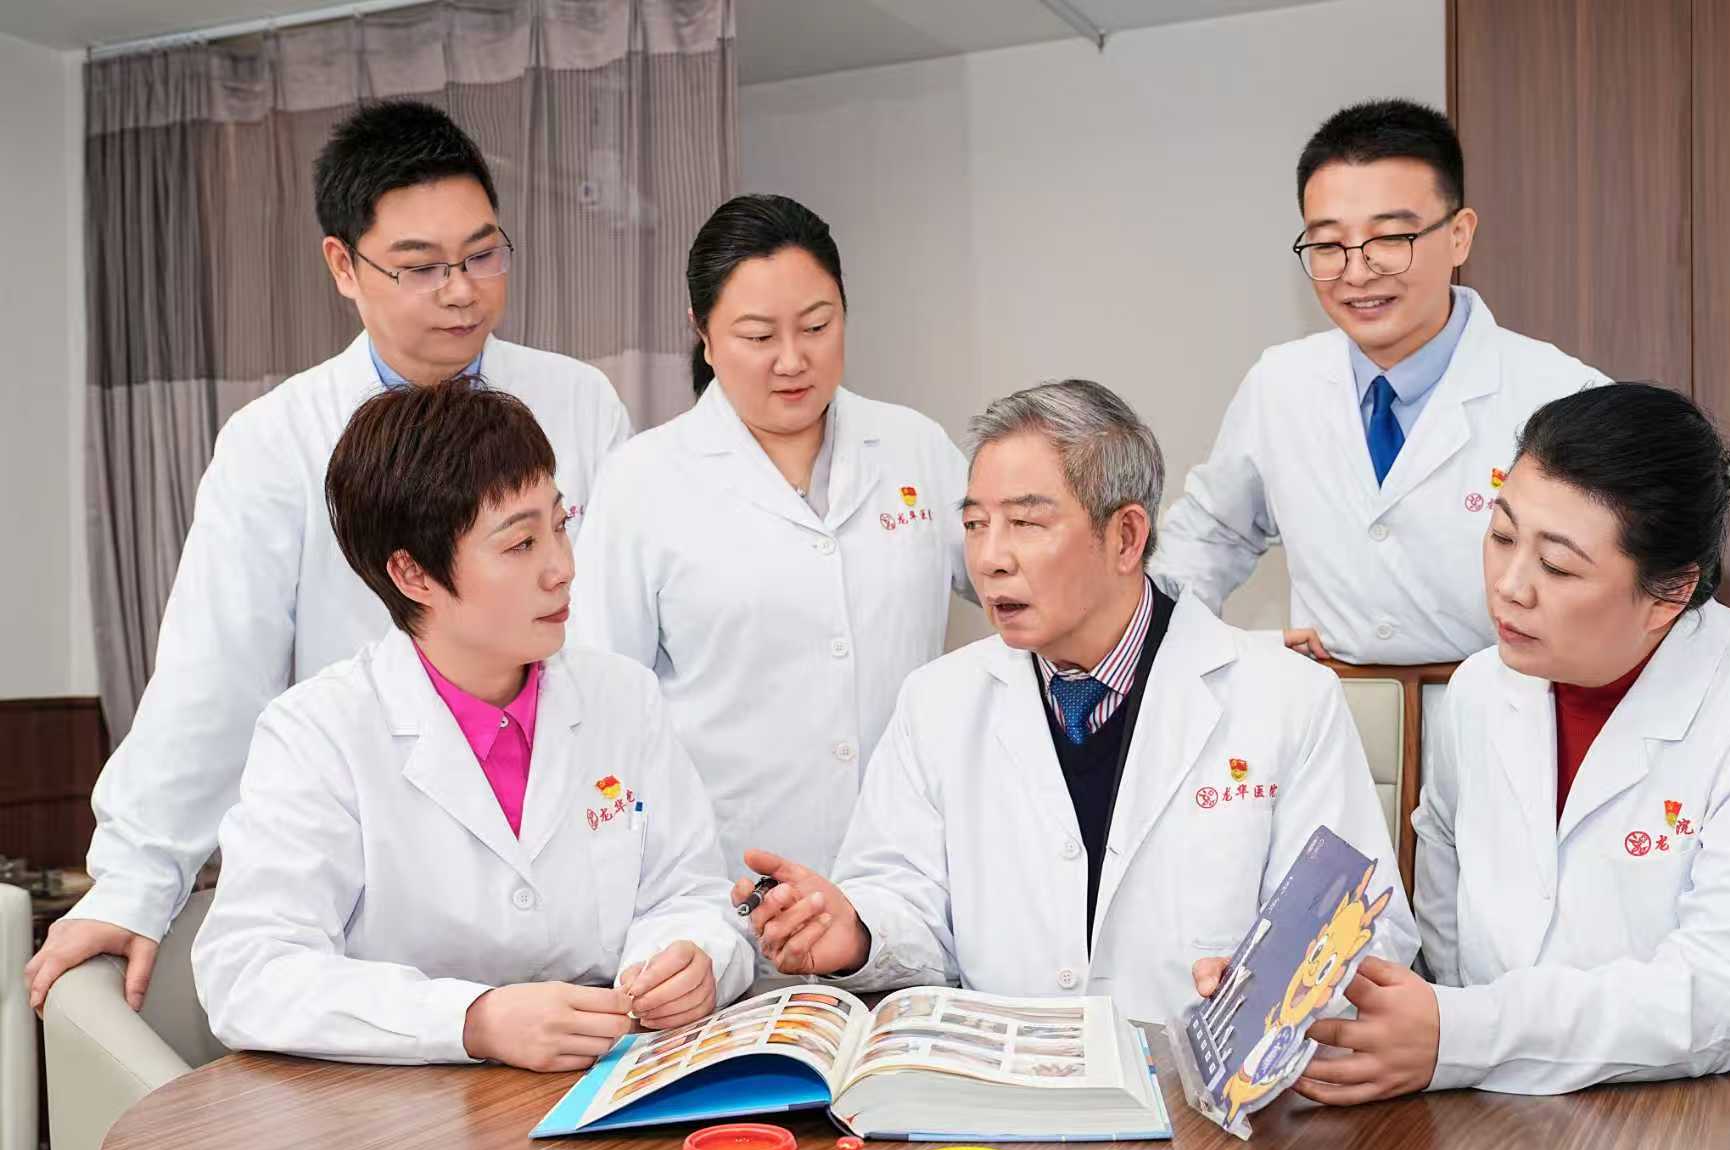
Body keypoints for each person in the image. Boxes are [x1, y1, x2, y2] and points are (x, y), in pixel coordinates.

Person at [27, 100, 630, 1013]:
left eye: (482, 255)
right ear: (343, 266)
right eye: (420, 267)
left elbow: (614, 637)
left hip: (569, 871)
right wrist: (134, 881)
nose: (462, 292)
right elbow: (213, 677)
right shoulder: (276, 441)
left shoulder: (578, 403)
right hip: (384, 889)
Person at [1236, 382, 1730, 1103]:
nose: (1509, 586)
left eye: (1557, 567)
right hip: (1527, 1098)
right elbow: (1447, 932)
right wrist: (1280, 996)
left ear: (1669, 592)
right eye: (1502, 537)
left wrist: (1468, 1034)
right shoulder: (1478, 691)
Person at [731, 379, 1415, 1025]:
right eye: (975, 524)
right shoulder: (936, 703)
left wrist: (1272, 985)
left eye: (1026, 523)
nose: (990, 558)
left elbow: (1366, 927)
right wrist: (855, 931)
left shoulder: (1286, 699)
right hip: (1007, 1082)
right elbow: (904, 900)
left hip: (1200, 1094)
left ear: (1126, 537)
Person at [192, 379, 750, 1068]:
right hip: (405, 1112)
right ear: (413, 574)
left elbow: (690, 893)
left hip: (607, 1081)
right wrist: (470, 1020)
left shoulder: (622, 698)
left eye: (560, 525)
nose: (562, 568)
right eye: (520, 544)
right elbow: (250, 971)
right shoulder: (319, 734)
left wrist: (691, 959)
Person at [572, 195, 971, 877]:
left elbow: (1020, 580)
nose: (792, 360)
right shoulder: (643, 481)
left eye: (817, 326)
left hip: (906, 871)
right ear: (702, 333)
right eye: (758, 337)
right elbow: (601, 695)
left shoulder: (914, 447)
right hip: (728, 878)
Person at [1153, 98, 1604, 665]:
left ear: (1459, 235)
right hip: (1329, 709)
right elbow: (1209, 536)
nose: (1357, 272)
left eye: (1390, 238)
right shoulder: (1281, 384)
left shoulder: (1564, 395)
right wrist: (1189, 647)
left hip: (1507, 709)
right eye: (1327, 245)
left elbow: (1618, 582)